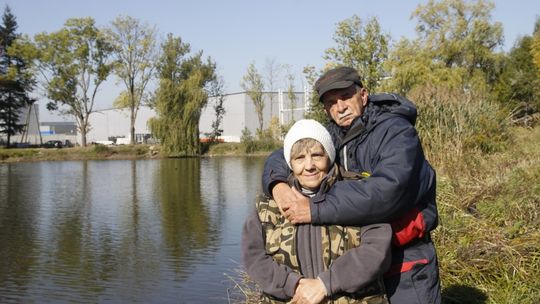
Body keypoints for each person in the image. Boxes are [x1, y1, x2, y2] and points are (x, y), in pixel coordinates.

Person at [261, 67, 441, 304]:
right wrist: (278, 184)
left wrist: (314, 209)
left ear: (363, 95)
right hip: (357, 263)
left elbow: (388, 192)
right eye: (331, 102)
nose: (340, 107)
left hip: (405, 260)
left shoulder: (396, 132)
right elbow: (284, 154)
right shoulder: (333, 136)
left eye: (345, 97)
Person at [242, 119, 392, 304]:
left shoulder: (358, 193)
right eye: (299, 158)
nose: (309, 165)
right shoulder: (267, 206)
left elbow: (377, 251)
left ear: (329, 156)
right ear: (290, 163)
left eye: (317, 155)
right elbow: (254, 257)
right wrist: (294, 285)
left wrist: (325, 284)